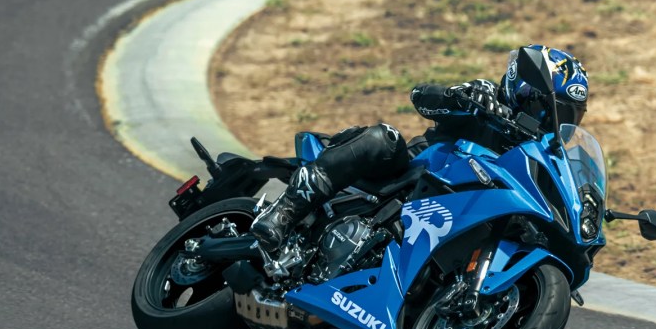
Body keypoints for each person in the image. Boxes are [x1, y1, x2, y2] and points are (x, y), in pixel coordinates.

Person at [251, 45, 589, 250]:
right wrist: (464, 99)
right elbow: (421, 97)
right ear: (524, 89)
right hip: (409, 177)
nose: (553, 122)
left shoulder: (541, 156)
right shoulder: (486, 96)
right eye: (549, 109)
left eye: (566, 117)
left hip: (462, 212)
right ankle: (286, 211)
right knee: (385, 138)